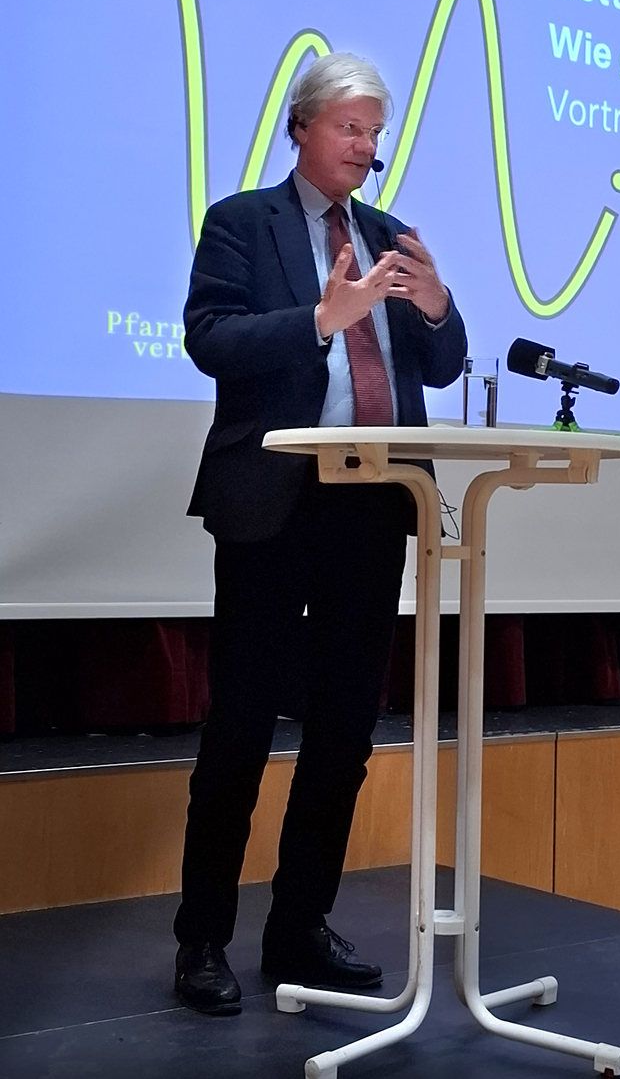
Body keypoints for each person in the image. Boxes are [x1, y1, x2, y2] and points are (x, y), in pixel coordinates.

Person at [173, 51, 467, 1015]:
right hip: (272, 501)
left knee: (344, 729)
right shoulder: (241, 223)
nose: (365, 148)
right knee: (242, 725)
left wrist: (437, 307)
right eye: (349, 127)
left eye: (375, 133)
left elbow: (442, 362)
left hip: (372, 503)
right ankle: (202, 939)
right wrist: (317, 318)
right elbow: (210, 337)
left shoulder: (389, 237)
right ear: (301, 126)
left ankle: (299, 924)